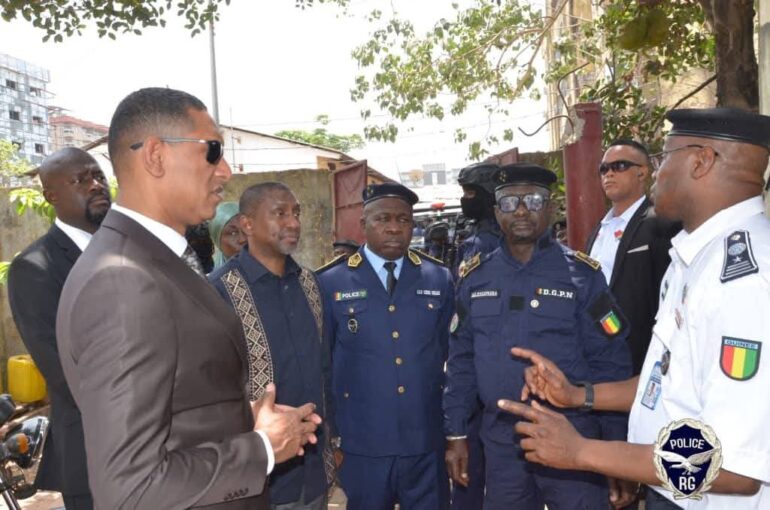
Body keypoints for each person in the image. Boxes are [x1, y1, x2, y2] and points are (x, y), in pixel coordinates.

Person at [55, 87, 320, 509]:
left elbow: (178, 412)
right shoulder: (121, 281)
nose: (225, 171)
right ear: (156, 156)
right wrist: (262, 448)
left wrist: (240, 421)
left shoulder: (156, 261)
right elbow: (130, 489)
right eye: (212, 151)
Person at [500, 108, 770, 509]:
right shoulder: (697, 257)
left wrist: (582, 451)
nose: (655, 173)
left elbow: (732, 466)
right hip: (671, 491)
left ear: (701, 161)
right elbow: (666, 383)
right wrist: (578, 395)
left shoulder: (746, 280)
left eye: (663, 158)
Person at [443, 163, 632, 510]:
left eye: (532, 200)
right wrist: (456, 433)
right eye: (509, 201)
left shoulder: (583, 276)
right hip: (503, 443)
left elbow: (610, 364)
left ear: (551, 207)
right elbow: (461, 363)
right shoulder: (475, 278)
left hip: (573, 435)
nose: (520, 210)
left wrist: (616, 446)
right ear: (496, 211)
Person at [316, 183, 454, 510]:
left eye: (403, 220)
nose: (394, 228)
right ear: (363, 225)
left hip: (424, 439)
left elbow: (450, 356)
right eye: (383, 219)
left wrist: (454, 431)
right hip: (362, 443)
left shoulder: (438, 278)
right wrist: (330, 437)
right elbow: (322, 365)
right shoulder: (330, 282)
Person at [210, 182, 333, 510]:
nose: (293, 223)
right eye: (280, 213)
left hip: (315, 472)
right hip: (259, 483)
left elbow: (325, 368)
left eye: (296, 213)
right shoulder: (219, 293)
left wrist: (334, 440)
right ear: (247, 224)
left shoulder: (310, 284)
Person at [7, 147, 111, 510]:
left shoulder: (131, 250)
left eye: (98, 175)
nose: (96, 185)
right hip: (95, 450)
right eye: (80, 180)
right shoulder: (35, 267)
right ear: (51, 196)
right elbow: (65, 370)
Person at [587, 139, 680, 374]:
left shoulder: (660, 224)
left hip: (640, 353)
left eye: (619, 166)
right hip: (597, 351)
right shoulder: (599, 229)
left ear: (642, 172)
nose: (609, 174)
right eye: (603, 169)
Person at [454, 162, 501, 278]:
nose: (464, 198)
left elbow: (466, 283)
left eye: (470, 193)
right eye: (464, 193)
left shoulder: (480, 243)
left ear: (488, 197)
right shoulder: (508, 228)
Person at [210, 201, 246, 270]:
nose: (243, 239)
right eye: (233, 233)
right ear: (217, 241)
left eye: (246, 228)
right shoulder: (214, 274)